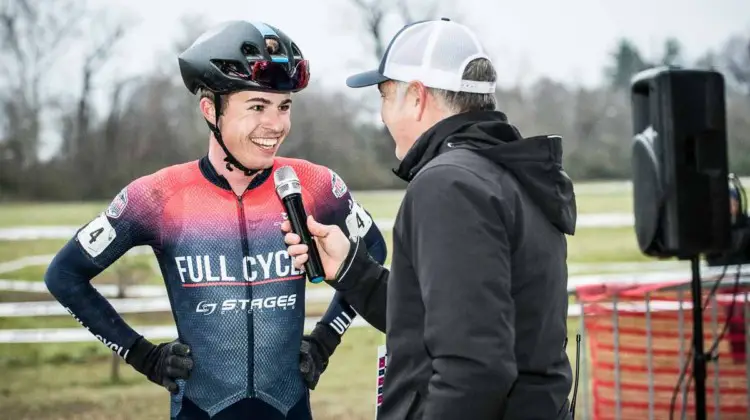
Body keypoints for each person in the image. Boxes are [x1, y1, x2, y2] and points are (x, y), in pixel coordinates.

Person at [44, 20, 387, 420]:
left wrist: (326, 338)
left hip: (289, 407)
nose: (276, 125)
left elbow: (374, 251)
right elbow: (64, 276)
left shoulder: (315, 184)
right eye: (257, 106)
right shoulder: (158, 195)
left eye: (284, 106)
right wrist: (142, 355)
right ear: (211, 110)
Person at [282, 18, 577, 420]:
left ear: (417, 97)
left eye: (385, 96)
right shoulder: (507, 173)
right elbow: (444, 321)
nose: (382, 116)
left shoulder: (448, 184)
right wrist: (352, 270)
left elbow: (474, 368)